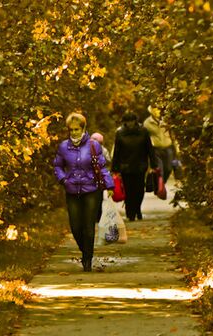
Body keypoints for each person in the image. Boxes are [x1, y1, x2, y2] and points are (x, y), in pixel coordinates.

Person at [54, 113, 115, 271]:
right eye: (71, 130)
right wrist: (63, 180)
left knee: (88, 226)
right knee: (75, 226)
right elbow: (58, 166)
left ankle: (87, 259)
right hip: (72, 190)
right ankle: (85, 251)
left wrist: (109, 186)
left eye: (77, 129)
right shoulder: (63, 147)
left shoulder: (93, 146)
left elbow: (102, 167)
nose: (74, 132)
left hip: (91, 190)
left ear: (83, 128)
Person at [111, 112, 157, 221]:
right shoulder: (120, 133)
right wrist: (114, 168)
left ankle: (137, 209)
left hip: (140, 165)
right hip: (125, 166)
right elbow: (117, 151)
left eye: (132, 121)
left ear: (135, 121)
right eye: (128, 121)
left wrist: (153, 164)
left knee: (140, 189)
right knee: (128, 189)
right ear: (124, 122)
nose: (130, 123)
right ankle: (130, 212)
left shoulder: (143, 132)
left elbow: (149, 148)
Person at [143, 105, 175, 184]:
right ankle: (159, 185)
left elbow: (173, 133)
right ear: (151, 111)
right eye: (155, 110)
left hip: (168, 147)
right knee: (159, 168)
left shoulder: (167, 120)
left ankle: (162, 183)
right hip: (155, 148)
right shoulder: (147, 123)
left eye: (158, 109)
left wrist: (176, 146)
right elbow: (144, 136)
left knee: (168, 168)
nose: (157, 111)